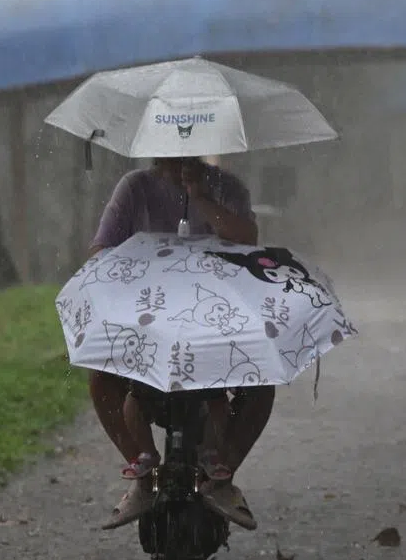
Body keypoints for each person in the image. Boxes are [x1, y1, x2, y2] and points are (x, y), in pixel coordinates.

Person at [88, 156, 275, 531]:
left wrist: (202, 198)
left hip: (214, 322)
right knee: (100, 377)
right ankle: (143, 474)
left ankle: (221, 478)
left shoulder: (228, 188)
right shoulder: (135, 188)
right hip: (149, 321)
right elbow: (100, 252)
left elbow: (248, 242)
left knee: (261, 386)